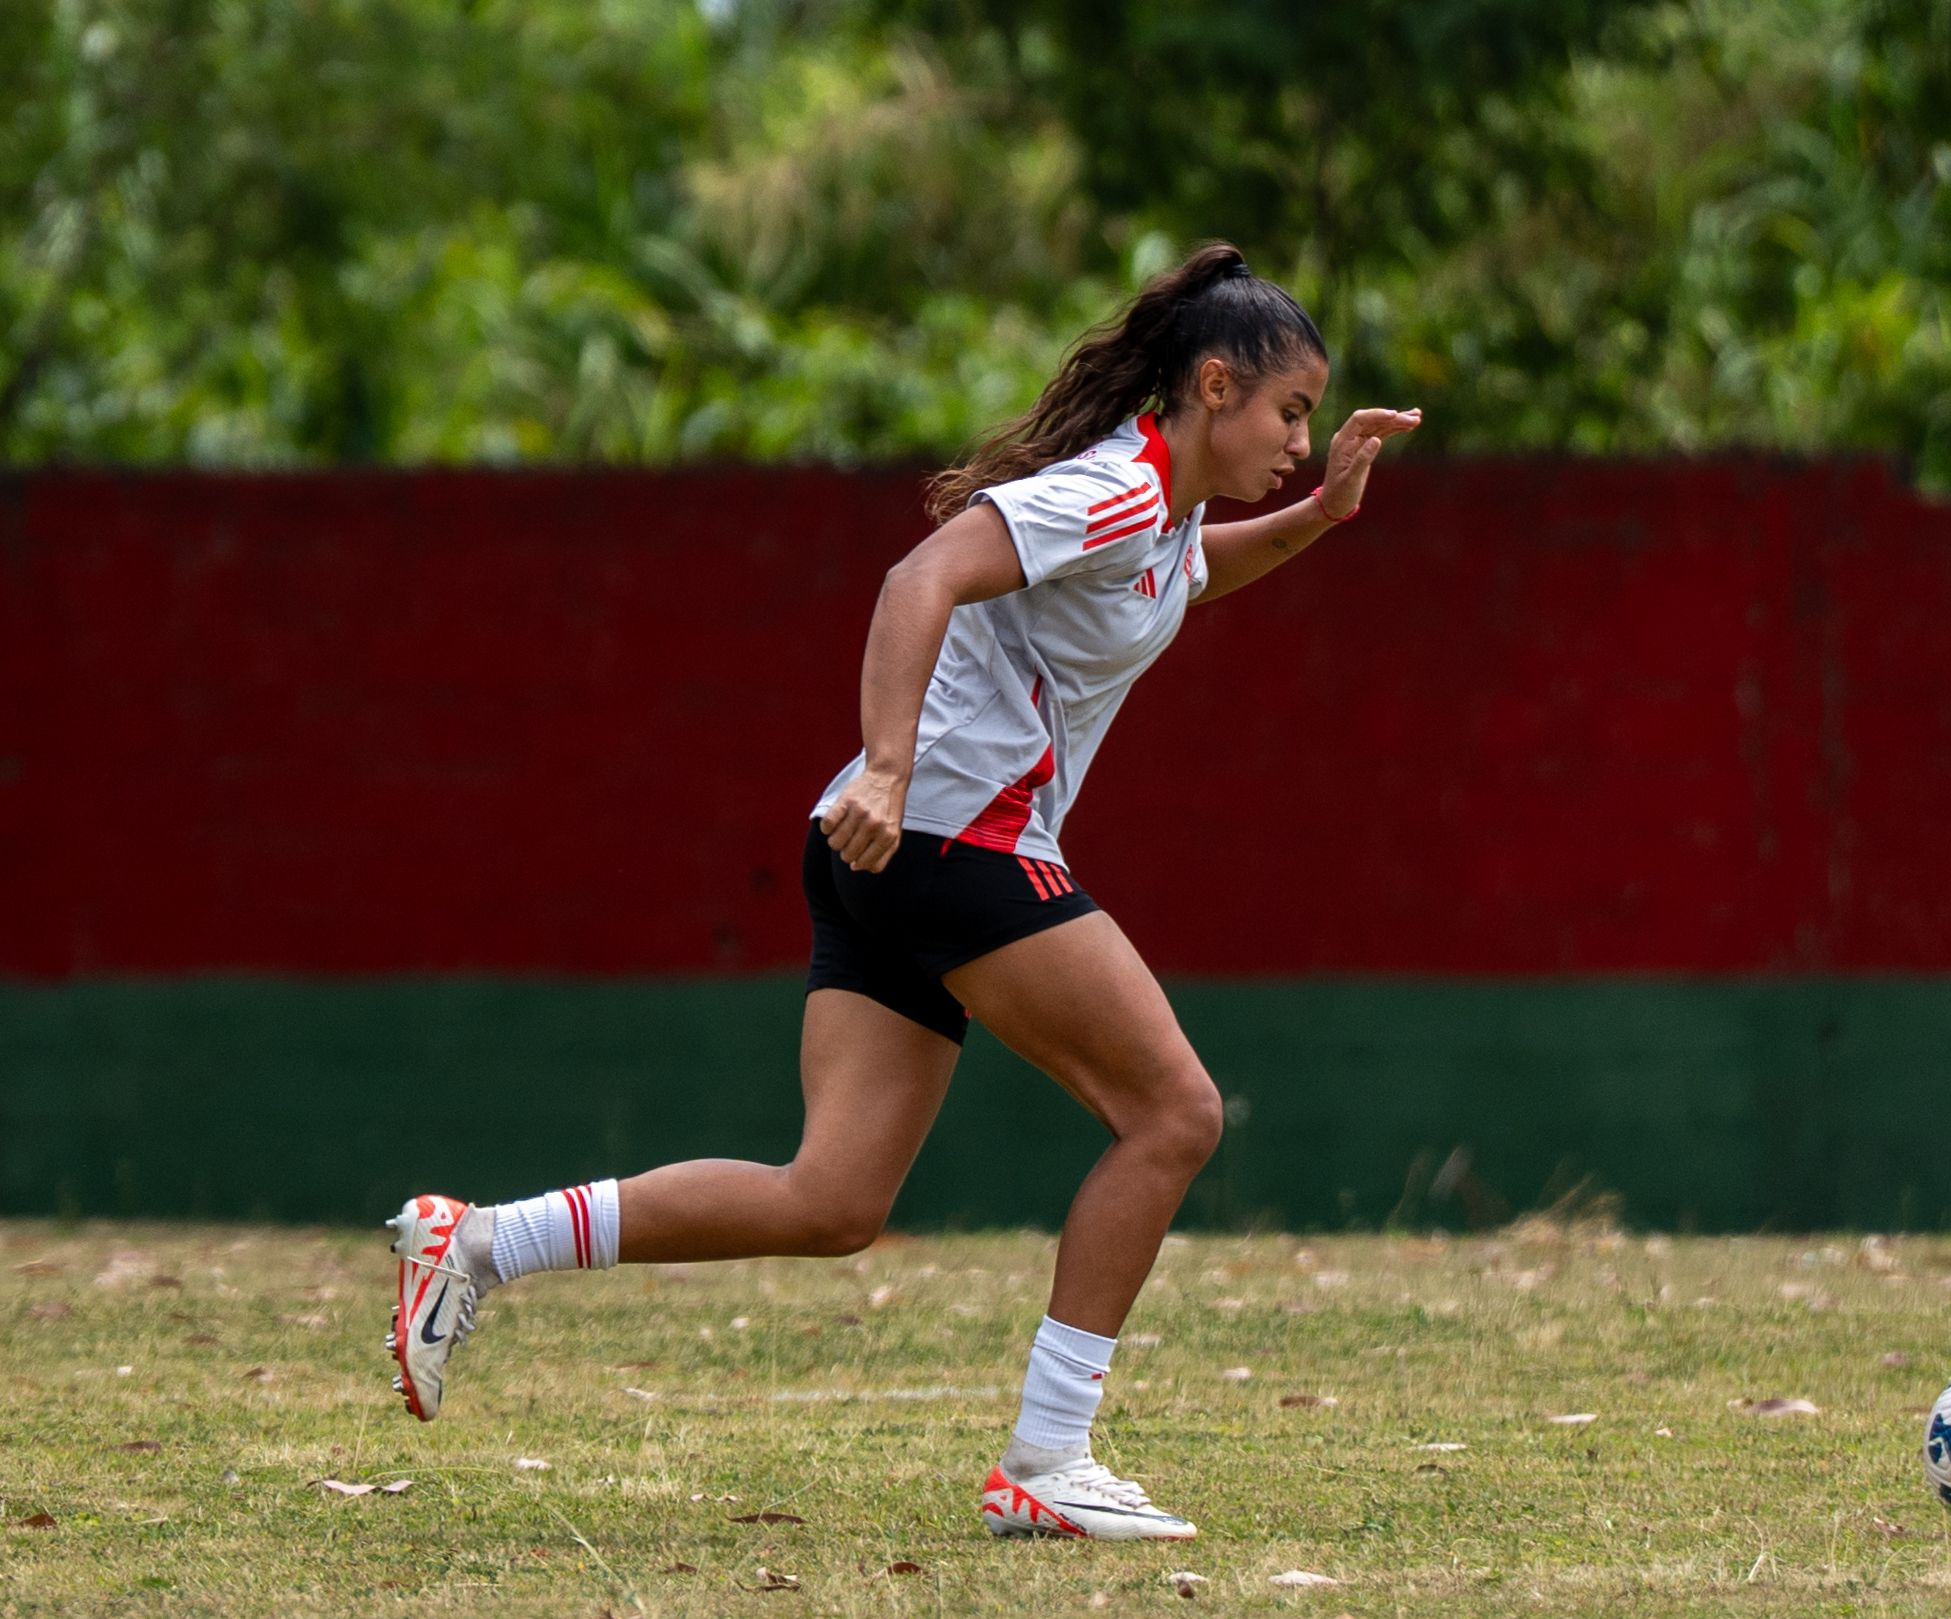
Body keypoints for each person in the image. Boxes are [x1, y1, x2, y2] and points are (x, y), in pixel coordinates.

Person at [382, 241, 1421, 1542]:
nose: (1298, 435)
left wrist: (1319, 515)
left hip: (894, 846)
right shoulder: (1113, 489)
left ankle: (476, 1243)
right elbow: (918, 578)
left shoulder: (1166, 519)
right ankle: (1046, 1460)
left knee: (830, 1201)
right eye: (1290, 411)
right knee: (1175, 1115)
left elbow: (1193, 579)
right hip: (947, 839)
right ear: (1213, 386)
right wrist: (886, 763)